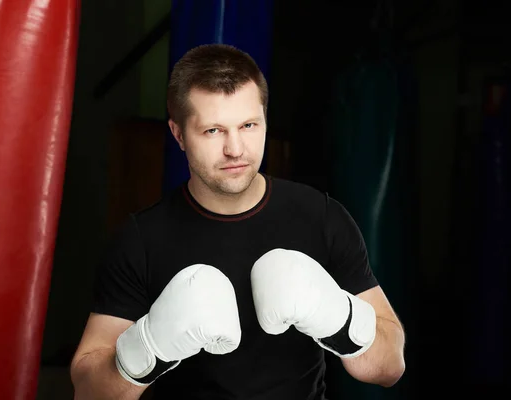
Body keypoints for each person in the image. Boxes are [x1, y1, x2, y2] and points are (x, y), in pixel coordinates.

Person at [70, 43, 406, 400]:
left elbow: (390, 366)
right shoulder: (142, 240)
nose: (235, 149)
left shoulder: (321, 217)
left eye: (248, 125)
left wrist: (339, 317)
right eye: (213, 131)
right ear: (178, 134)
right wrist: (149, 348)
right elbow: (90, 392)